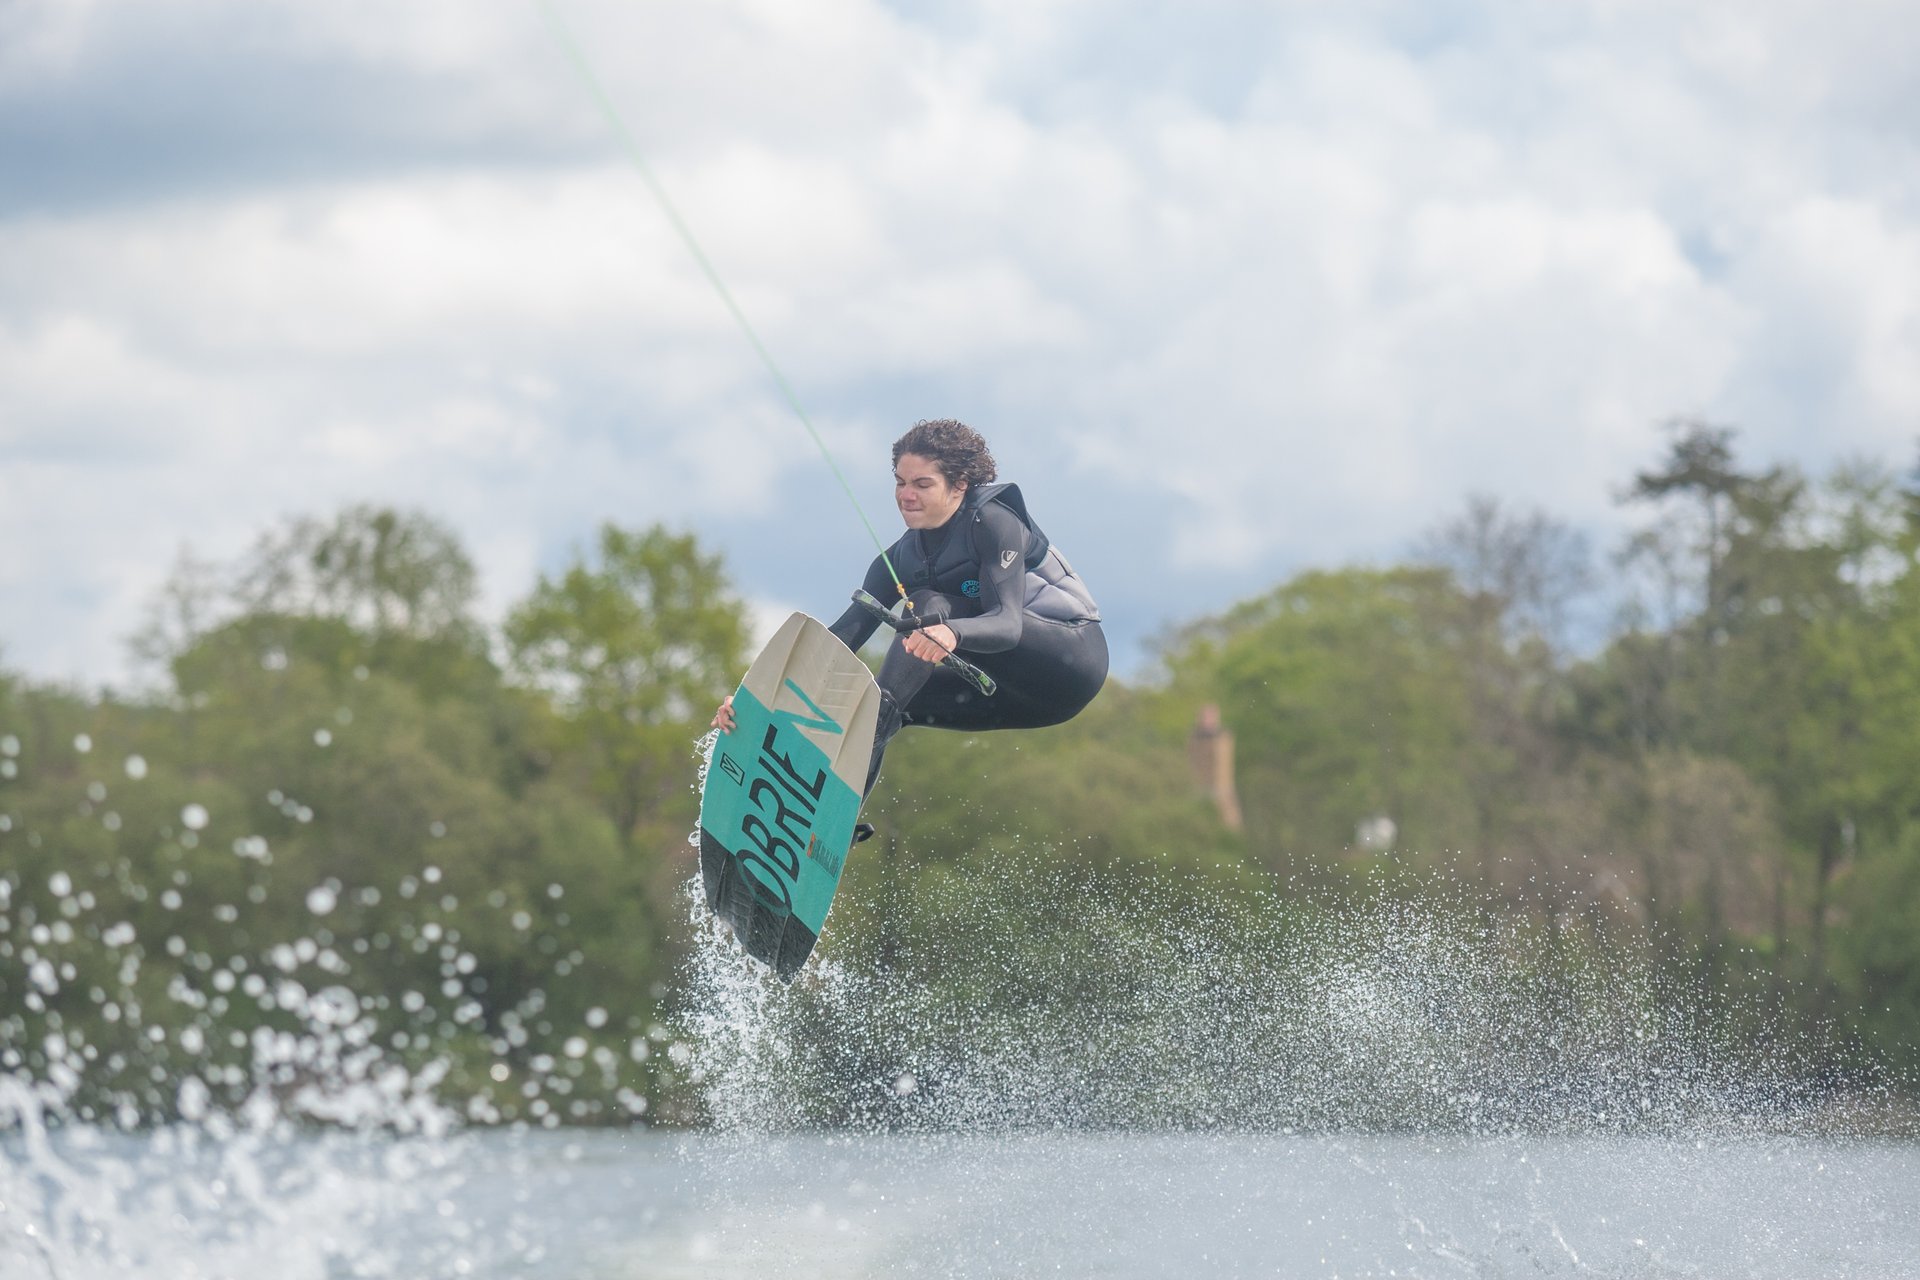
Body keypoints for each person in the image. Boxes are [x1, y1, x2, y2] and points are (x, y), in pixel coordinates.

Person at [712, 419, 1106, 804]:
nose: (906, 495)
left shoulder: (994, 523)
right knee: (869, 707)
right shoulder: (899, 558)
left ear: (959, 485)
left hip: (1069, 661)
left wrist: (953, 633)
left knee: (926, 607)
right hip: (1008, 695)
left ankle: (840, 778)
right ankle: (834, 821)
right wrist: (755, 697)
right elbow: (838, 640)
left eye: (922, 484)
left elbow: (1007, 625)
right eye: (900, 483)